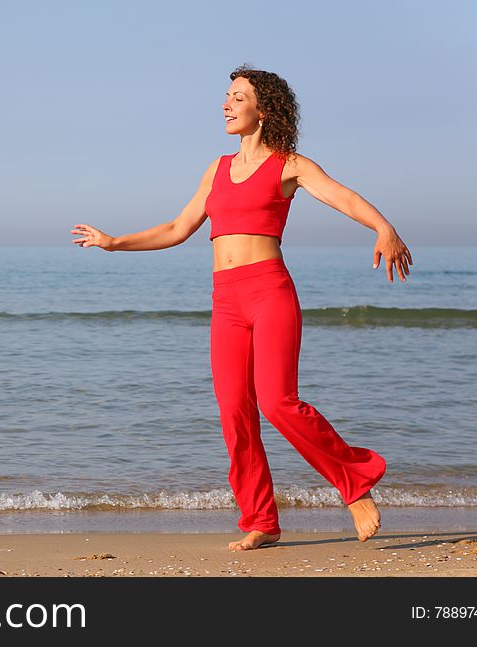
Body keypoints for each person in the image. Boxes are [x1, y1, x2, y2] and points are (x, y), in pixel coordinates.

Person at [70, 64, 413, 551]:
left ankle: (355, 484)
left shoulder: (290, 165)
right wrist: (114, 242)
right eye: (226, 96)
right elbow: (175, 229)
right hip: (225, 300)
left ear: (264, 109)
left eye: (237, 96)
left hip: (269, 291)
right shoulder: (216, 169)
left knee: (277, 401)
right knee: (235, 411)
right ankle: (261, 520)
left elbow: (343, 197)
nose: (226, 104)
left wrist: (384, 228)